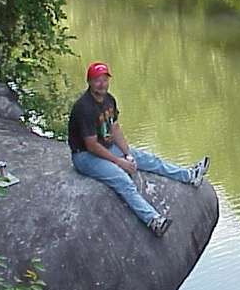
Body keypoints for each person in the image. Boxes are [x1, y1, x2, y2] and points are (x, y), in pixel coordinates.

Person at [67, 61, 210, 237]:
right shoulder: (85, 108)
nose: (102, 84)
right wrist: (119, 162)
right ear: (89, 82)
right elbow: (91, 145)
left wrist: (128, 154)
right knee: (122, 179)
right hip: (86, 156)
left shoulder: (109, 100)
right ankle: (153, 220)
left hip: (107, 147)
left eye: (105, 79)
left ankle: (189, 176)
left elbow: (115, 129)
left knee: (149, 160)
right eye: (97, 80)